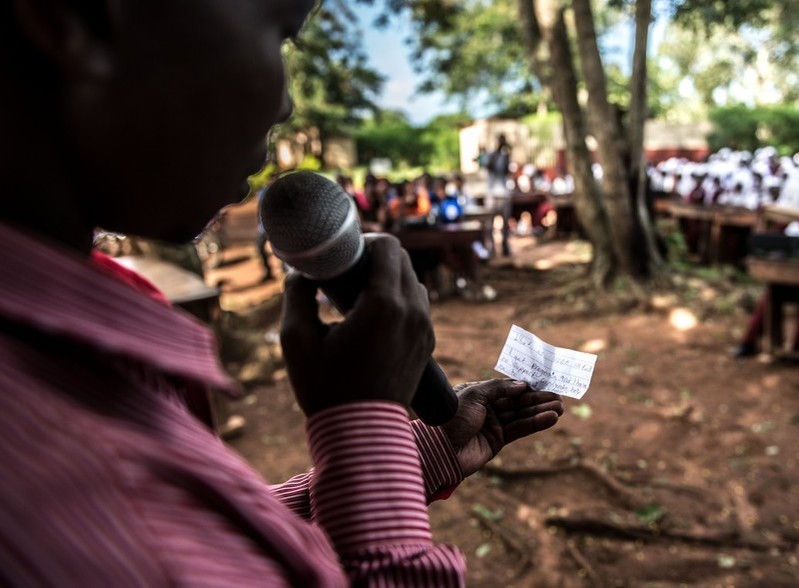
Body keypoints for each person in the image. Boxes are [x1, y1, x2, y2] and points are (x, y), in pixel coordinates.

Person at [0, 1, 565, 585]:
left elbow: (209, 541)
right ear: (74, 17)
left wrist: (410, 456)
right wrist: (364, 417)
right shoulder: (33, 479)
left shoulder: (78, 353)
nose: (286, 103)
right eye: (281, 35)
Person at [486, 134, 513, 256]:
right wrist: (498, 149)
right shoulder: (491, 155)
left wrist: (507, 151)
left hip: (504, 195)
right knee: (489, 224)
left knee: (505, 224)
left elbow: (506, 170)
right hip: (492, 195)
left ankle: (505, 246)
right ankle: (491, 249)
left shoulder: (505, 156)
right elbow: (489, 167)